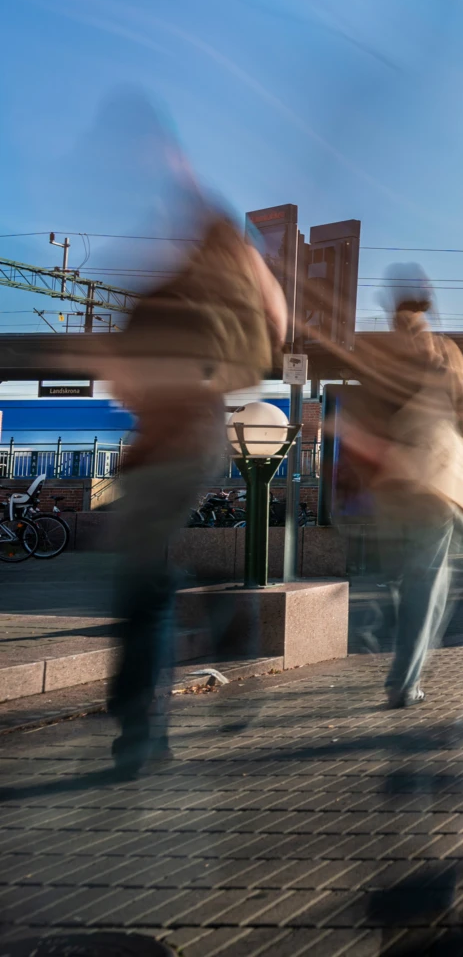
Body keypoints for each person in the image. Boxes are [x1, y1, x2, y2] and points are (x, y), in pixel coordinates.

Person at [103, 210, 286, 777]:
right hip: (191, 441)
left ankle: (139, 732)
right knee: (143, 586)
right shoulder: (231, 303)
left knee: (141, 590)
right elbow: (270, 343)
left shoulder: (165, 295)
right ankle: (217, 608)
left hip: (163, 447)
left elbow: (121, 381)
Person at [330, 267, 463, 709]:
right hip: (434, 481)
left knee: (405, 577)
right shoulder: (445, 351)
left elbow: (358, 412)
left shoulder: (380, 354)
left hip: (391, 485)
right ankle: (404, 680)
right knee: (427, 584)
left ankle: (385, 635)